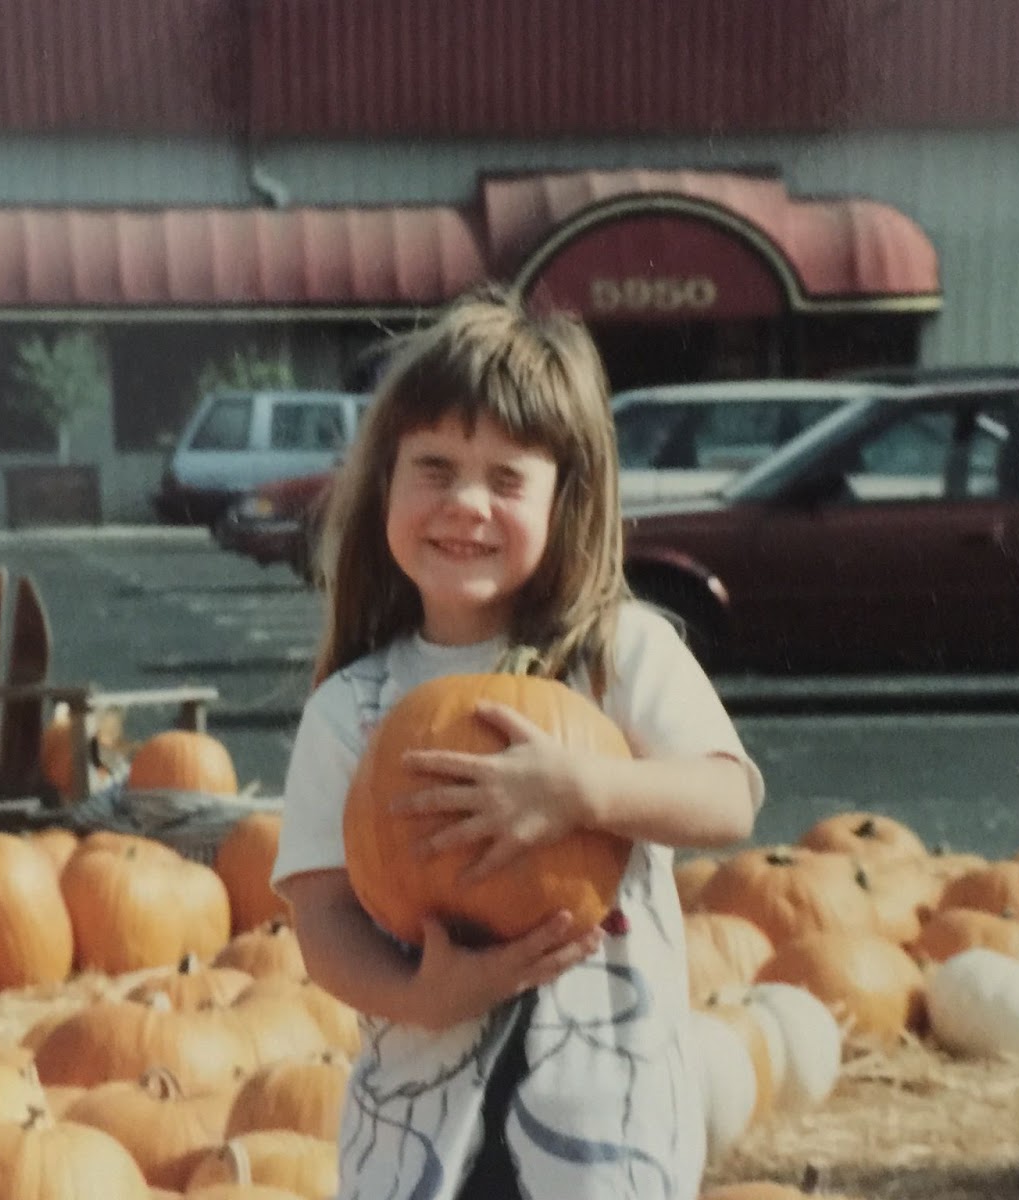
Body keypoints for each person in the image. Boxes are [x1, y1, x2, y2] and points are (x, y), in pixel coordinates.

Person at [270, 288, 763, 1200]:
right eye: (436, 467)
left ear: (563, 498)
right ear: (385, 480)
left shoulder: (615, 656)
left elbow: (728, 797)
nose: (467, 504)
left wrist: (585, 792)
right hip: (420, 1126)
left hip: (604, 1122)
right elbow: (324, 918)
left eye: (506, 479)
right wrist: (421, 997)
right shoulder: (353, 708)